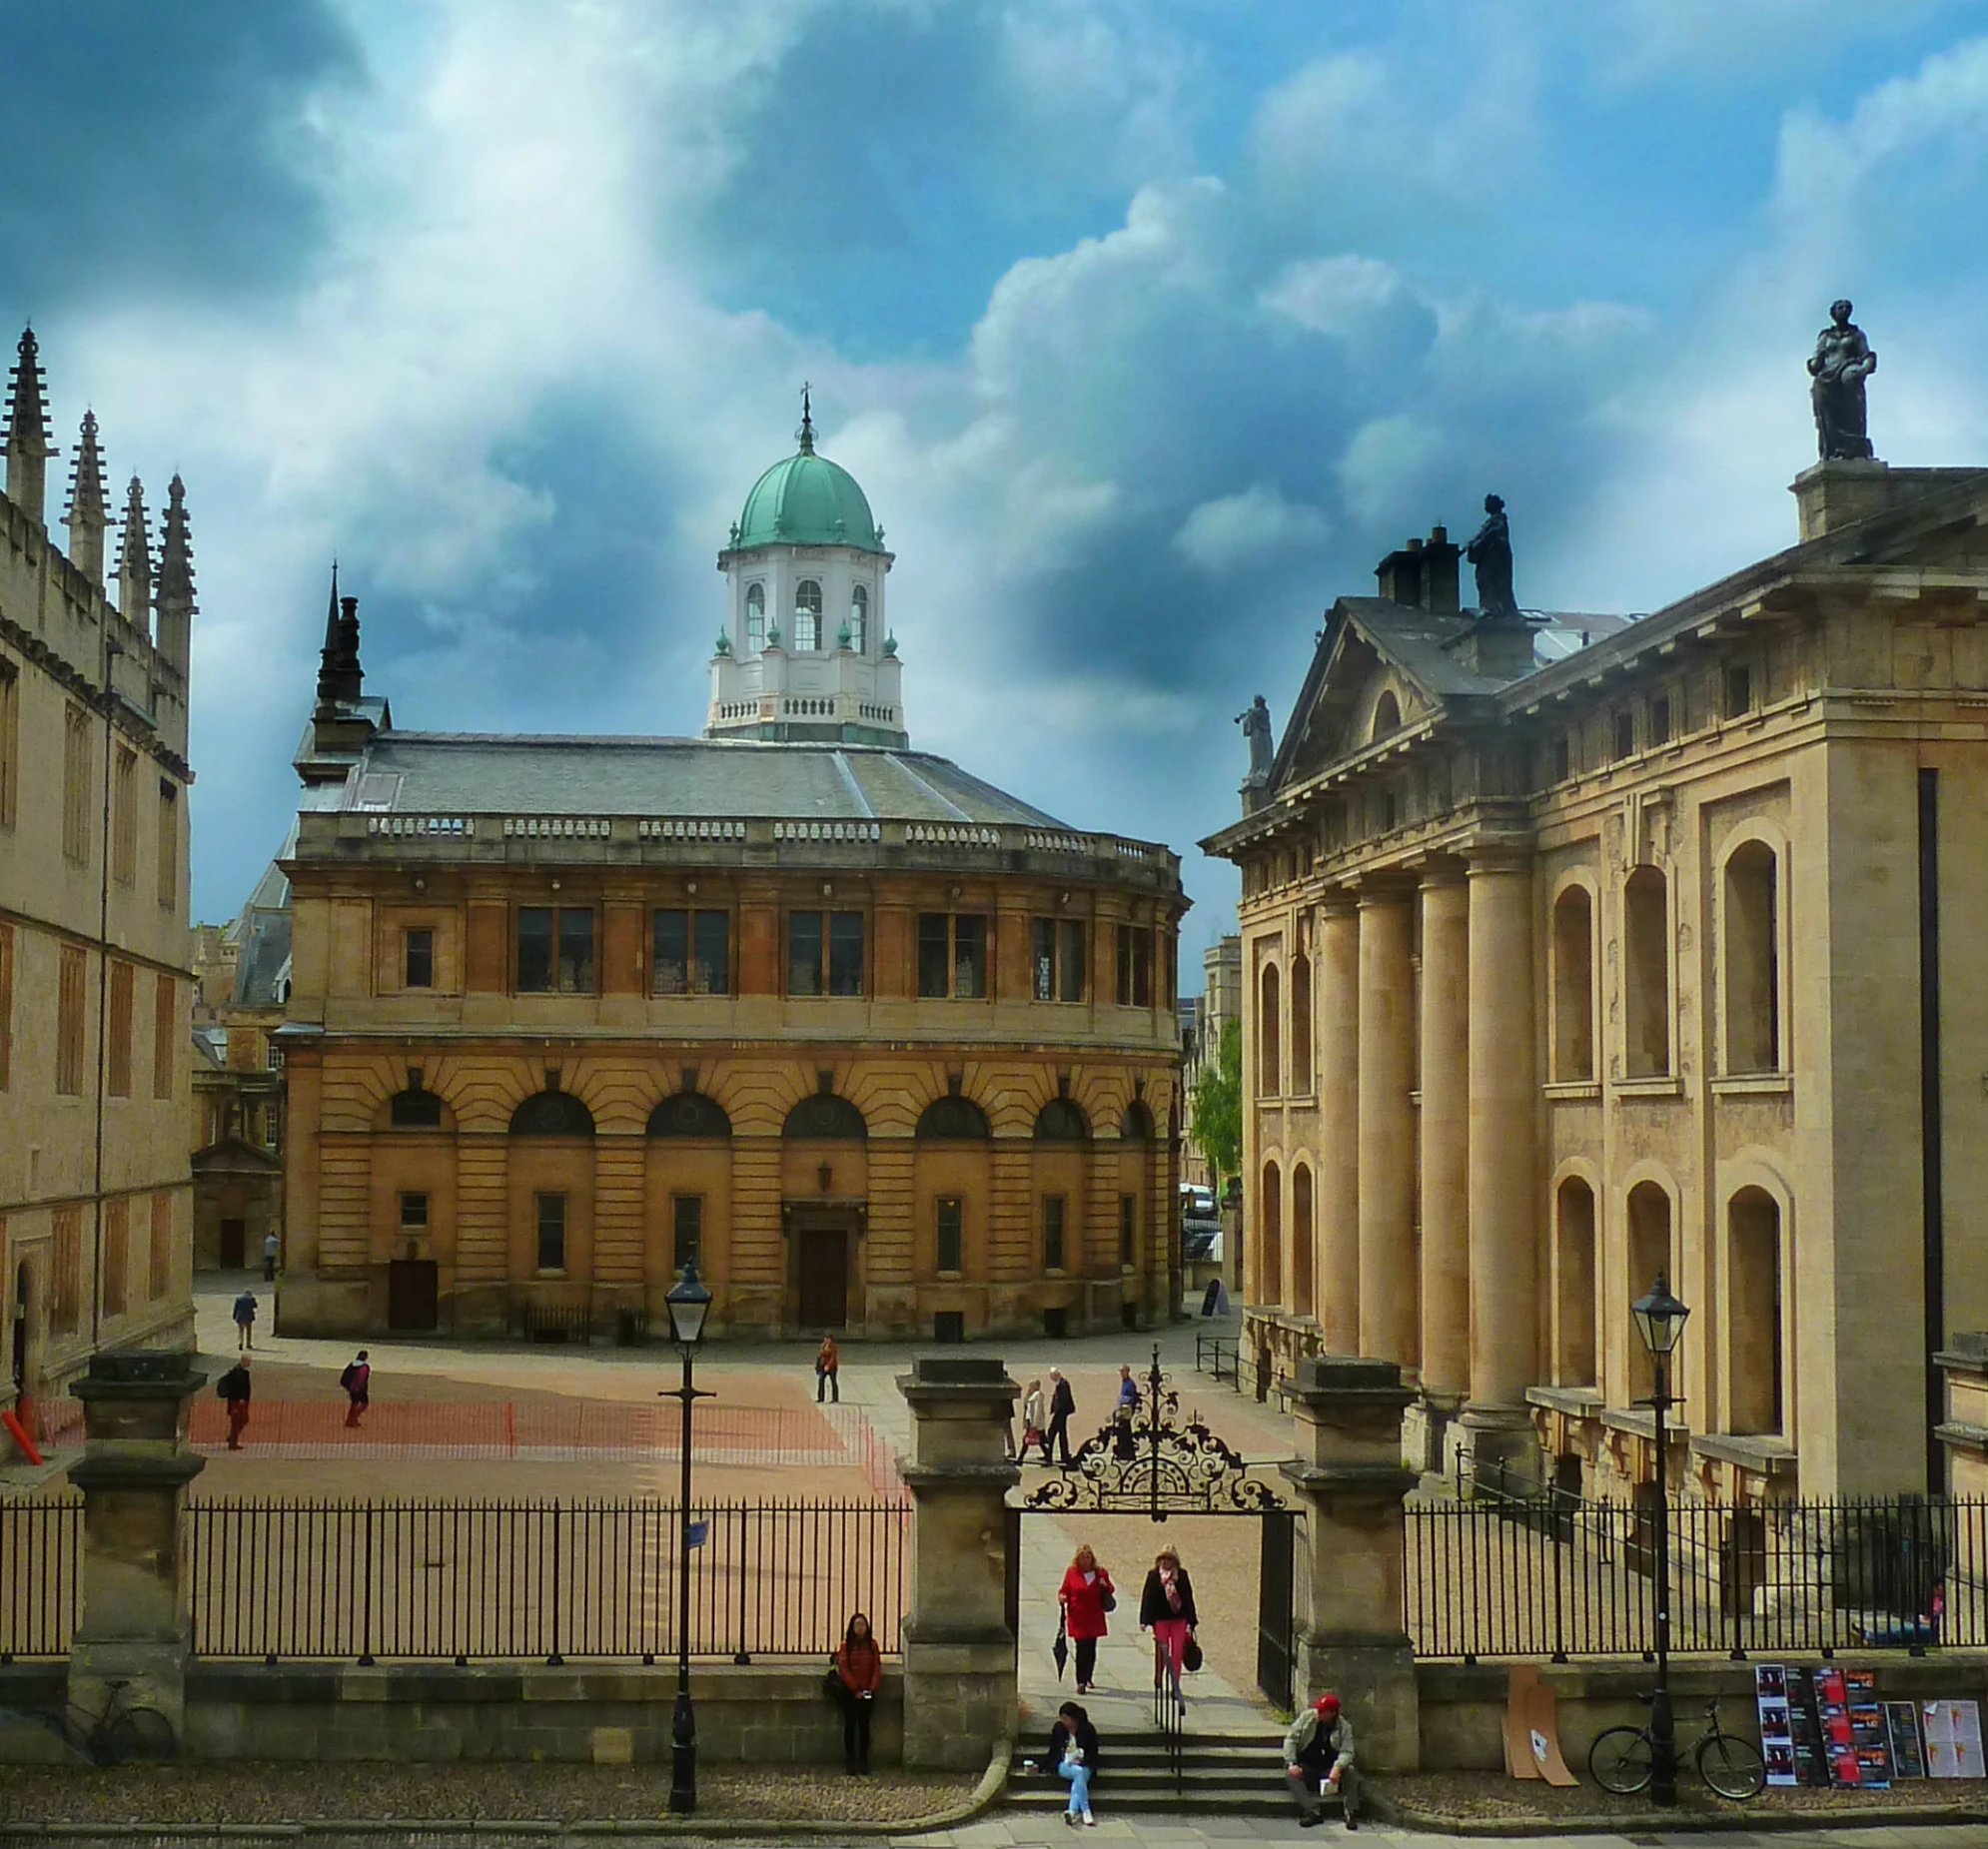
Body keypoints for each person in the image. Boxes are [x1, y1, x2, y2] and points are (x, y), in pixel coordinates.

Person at [1286, 1691, 1359, 1830]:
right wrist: (1292, 1762)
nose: (1318, 1712)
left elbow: (1348, 1751)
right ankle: (1312, 1811)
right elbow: (1291, 1739)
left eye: (1323, 1711)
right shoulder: (1307, 1718)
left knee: (1351, 1772)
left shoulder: (1344, 1727)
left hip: (1329, 1767)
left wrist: (1337, 1767)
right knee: (1291, 1777)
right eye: (1318, 1709)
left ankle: (1350, 1812)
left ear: (1332, 1713)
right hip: (1307, 1764)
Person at [1139, 1546, 1199, 1706]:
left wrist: (1191, 1620)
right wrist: (1144, 1620)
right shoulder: (1153, 1576)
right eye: (1164, 1559)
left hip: (1178, 1619)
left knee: (1177, 1652)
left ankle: (1175, 1684)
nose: (1166, 1562)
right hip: (1160, 1619)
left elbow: (1188, 1597)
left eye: (1169, 1559)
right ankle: (1159, 1675)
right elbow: (1148, 1597)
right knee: (1162, 1651)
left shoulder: (1182, 1576)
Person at [1059, 1543, 1114, 1695]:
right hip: (1077, 1616)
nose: (1085, 1560)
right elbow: (1064, 1590)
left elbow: (1110, 1589)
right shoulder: (1072, 1572)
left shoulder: (1100, 1573)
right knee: (1081, 1648)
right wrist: (1062, 1597)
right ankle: (1080, 1681)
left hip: (1094, 1615)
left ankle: (1088, 1676)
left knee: (1091, 1648)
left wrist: (1104, 1585)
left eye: (1088, 1557)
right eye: (1083, 1557)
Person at [831, 1610, 881, 1773]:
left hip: (868, 1691)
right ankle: (851, 1760)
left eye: (863, 1625)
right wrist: (855, 1689)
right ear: (852, 1627)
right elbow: (843, 1668)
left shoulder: (872, 1645)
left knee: (865, 1727)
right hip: (851, 1693)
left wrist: (871, 1688)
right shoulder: (846, 1645)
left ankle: (863, 1761)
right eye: (857, 1625)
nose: (860, 1628)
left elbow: (876, 1667)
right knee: (850, 1726)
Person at [1047, 1699, 1100, 1827]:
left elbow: (1093, 1751)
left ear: (1074, 1719)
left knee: (1079, 1776)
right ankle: (1086, 1811)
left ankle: (1072, 1811)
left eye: (1066, 1718)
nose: (1063, 1722)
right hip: (1065, 1764)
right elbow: (1053, 1750)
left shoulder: (1087, 1729)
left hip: (1084, 1765)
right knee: (1078, 1773)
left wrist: (1083, 1760)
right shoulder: (1059, 1728)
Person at [218, 1355, 252, 1450]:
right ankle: (233, 1442)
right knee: (237, 1421)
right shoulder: (237, 1372)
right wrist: (240, 1398)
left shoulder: (240, 1372)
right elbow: (238, 1387)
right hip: (237, 1401)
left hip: (239, 1400)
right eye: (248, 1361)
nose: (249, 1363)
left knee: (241, 1420)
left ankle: (232, 1438)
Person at [1044, 1369, 1076, 1467]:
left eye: (1052, 1375)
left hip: (1061, 1414)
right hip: (1061, 1413)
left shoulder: (1062, 1384)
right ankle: (1064, 1456)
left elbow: (1063, 1400)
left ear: (1056, 1375)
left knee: (1052, 1433)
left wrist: (1057, 1412)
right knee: (1062, 1435)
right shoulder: (1061, 1384)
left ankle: (1049, 1457)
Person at [340, 1350, 372, 1428]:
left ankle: (350, 1420)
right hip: (360, 1388)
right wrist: (359, 1387)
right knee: (364, 1404)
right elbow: (361, 1378)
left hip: (351, 1388)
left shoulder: (351, 1365)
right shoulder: (364, 1367)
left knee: (354, 1403)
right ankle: (353, 1418)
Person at [231, 1288, 258, 1352]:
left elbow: (236, 1308)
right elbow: (255, 1306)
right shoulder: (251, 1299)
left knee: (241, 1331)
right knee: (248, 1331)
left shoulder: (239, 1299)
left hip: (240, 1317)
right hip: (249, 1317)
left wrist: (234, 1316)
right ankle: (248, 1344)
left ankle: (240, 1343)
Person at [815, 1335, 839, 1404]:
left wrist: (828, 1366)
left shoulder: (834, 1347)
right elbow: (820, 1354)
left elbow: (833, 1357)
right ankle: (821, 1398)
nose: (826, 1340)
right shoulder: (823, 1345)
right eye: (825, 1338)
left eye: (828, 1339)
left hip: (832, 1367)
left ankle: (835, 1398)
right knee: (821, 1380)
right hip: (823, 1365)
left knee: (833, 1381)